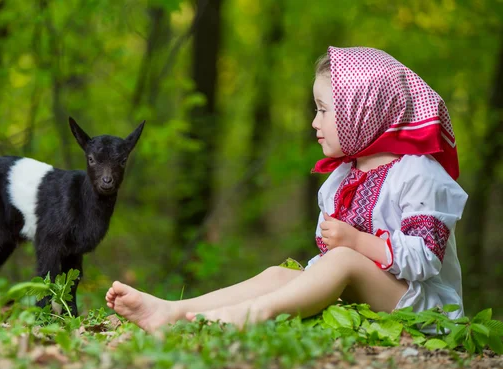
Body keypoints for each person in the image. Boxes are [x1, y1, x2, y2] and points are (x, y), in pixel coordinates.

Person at [105, 46, 468, 332]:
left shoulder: (418, 173)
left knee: (341, 259)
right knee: (278, 274)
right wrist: (317, 270)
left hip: (423, 307)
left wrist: (357, 244)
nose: (314, 122)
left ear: (362, 110)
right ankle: (173, 311)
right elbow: (326, 265)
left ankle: (252, 314)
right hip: (364, 297)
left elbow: (425, 259)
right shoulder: (341, 179)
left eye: (324, 110)